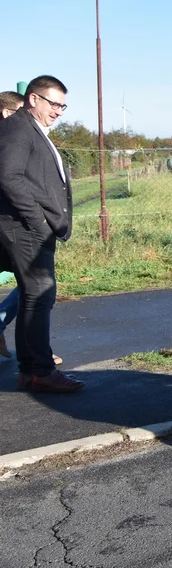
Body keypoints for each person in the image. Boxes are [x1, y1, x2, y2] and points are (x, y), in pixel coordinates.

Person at [0, 76, 79, 392]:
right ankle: (41, 372)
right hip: (25, 228)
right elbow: (8, 177)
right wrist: (38, 220)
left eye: (63, 105)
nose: (59, 111)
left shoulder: (29, 129)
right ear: (33, 99)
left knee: (34, 297)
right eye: (54, 103)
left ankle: (30, 370)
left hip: (30, 228)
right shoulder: (19, 129)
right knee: (39, 294)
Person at [0, 90, 62, 365]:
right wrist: (37, 219)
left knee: (31, 286)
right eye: (18, 113)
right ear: (6, 113)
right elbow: (10, 179)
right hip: (15, 224)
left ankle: (34, 356)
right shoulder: (13, 135)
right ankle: (37, 360)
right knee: (36, 287)